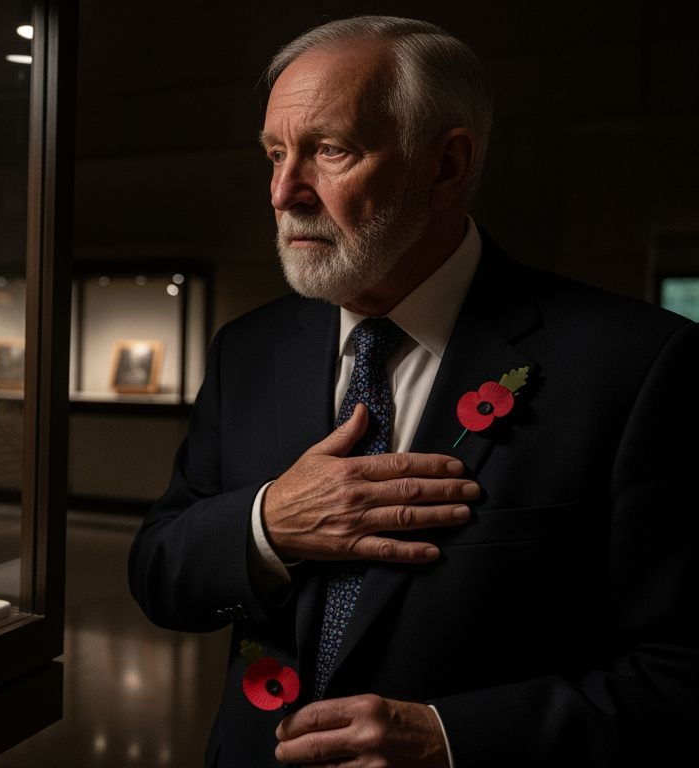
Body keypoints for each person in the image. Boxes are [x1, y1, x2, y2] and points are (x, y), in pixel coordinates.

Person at [128, 16, 698, 767]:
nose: (283, 192)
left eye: (329, 151)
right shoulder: (250, 349)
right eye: (274, 153)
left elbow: (683, 670)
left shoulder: (636, 364)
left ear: (445, 164)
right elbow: (159, 572)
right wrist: (269, 524)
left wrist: (451, 740)